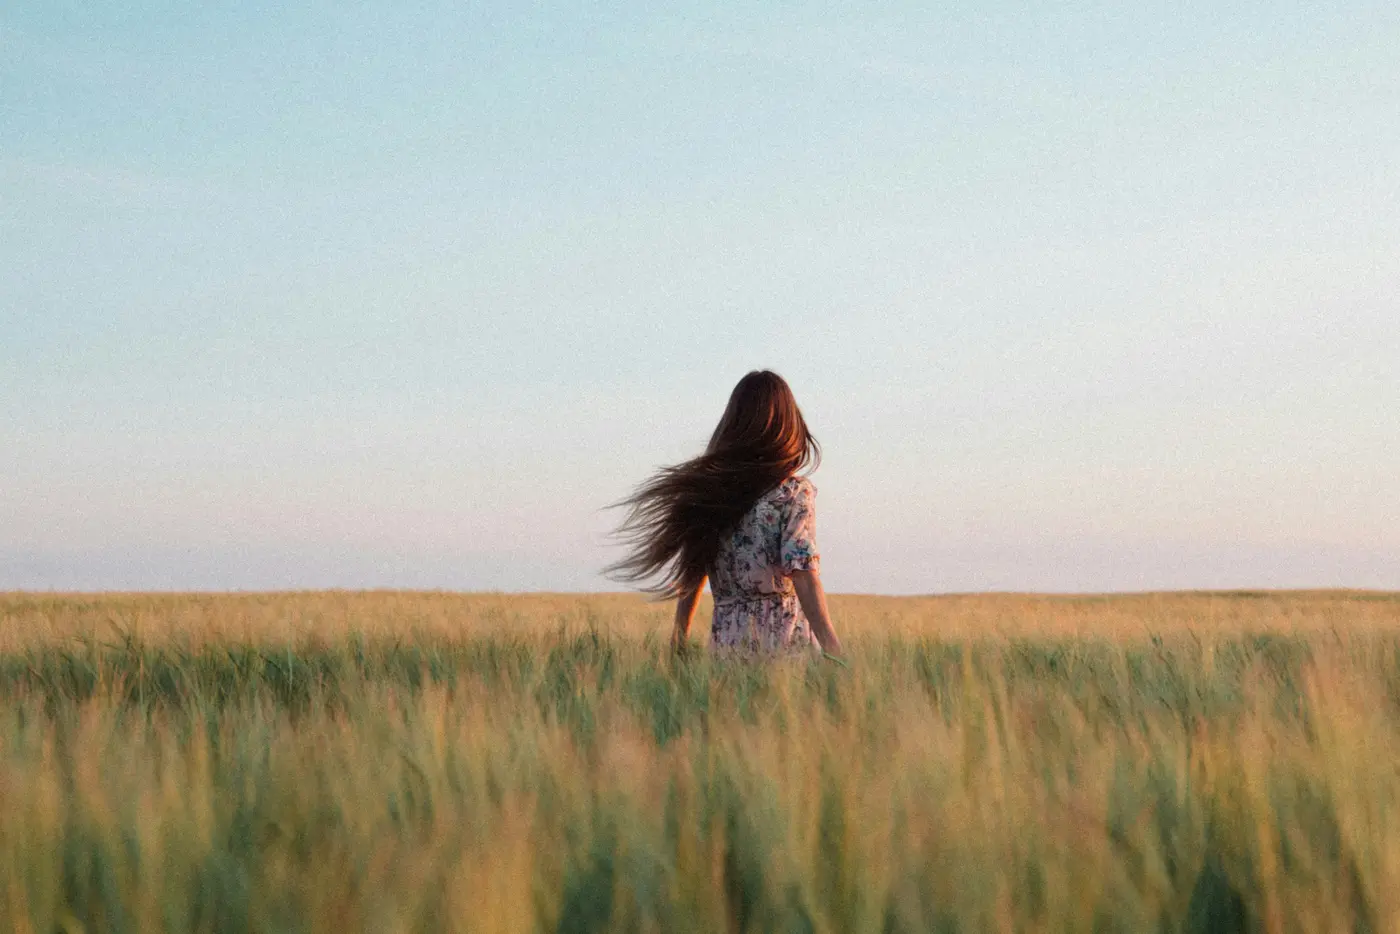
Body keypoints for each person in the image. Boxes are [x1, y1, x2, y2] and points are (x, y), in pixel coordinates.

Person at [607, 370, 844, 657]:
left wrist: (679, 636)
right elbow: (803, 573)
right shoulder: (792, 493)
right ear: (787, 423)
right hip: (783, 643)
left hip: (728, 643)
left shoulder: (711, 491)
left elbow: (694, 567)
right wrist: (833, 647)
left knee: (729, 703)